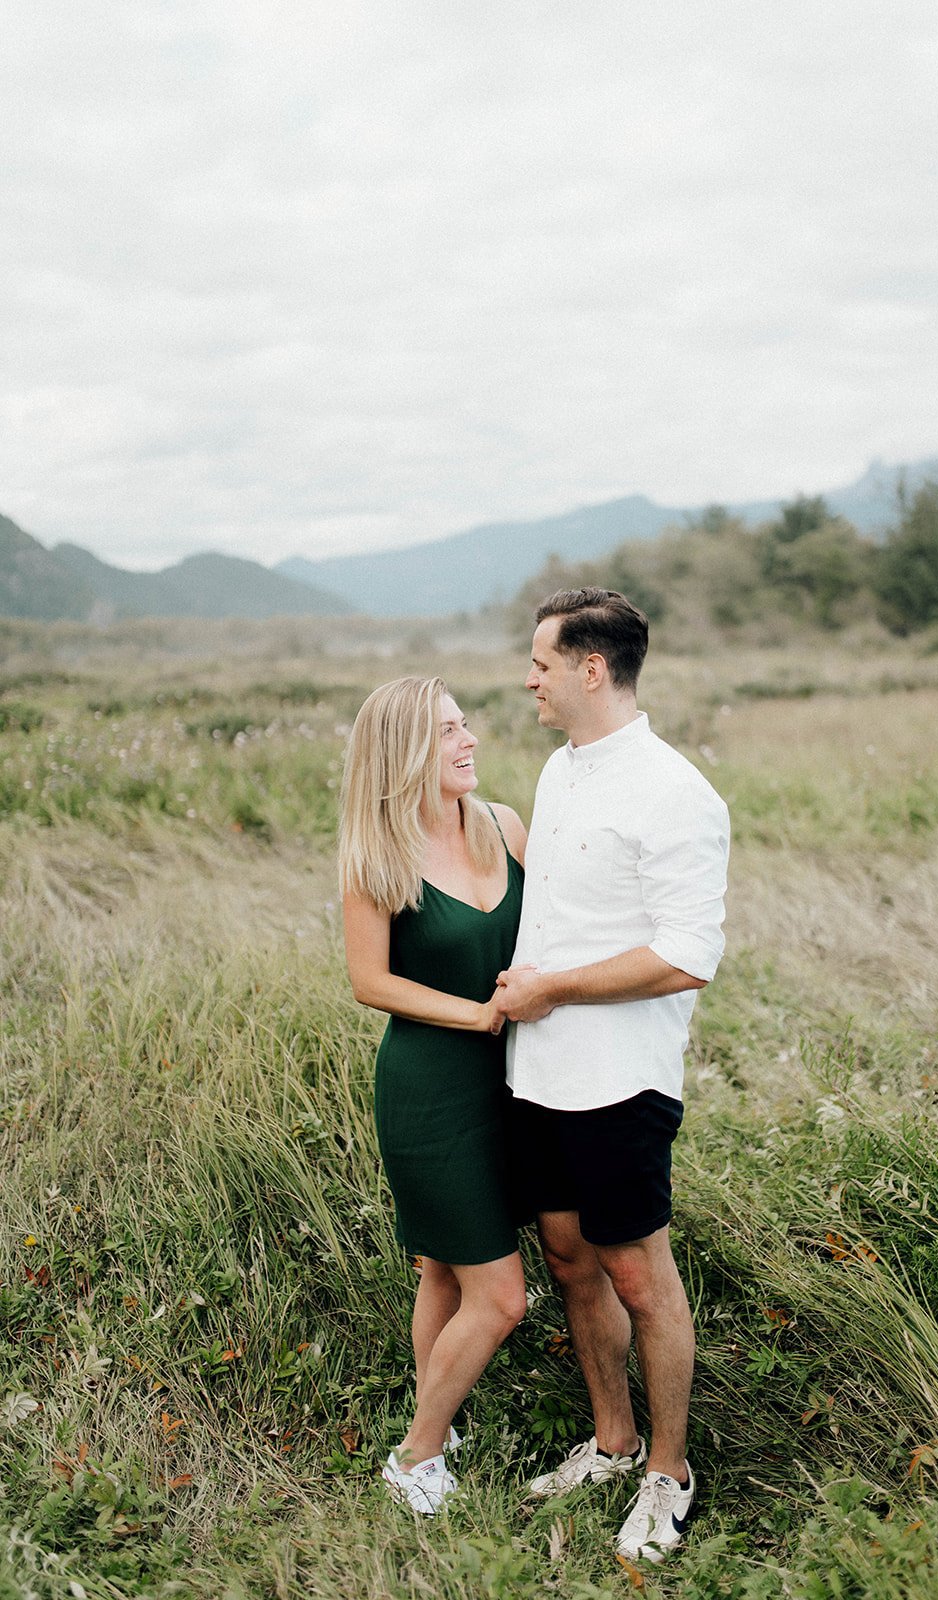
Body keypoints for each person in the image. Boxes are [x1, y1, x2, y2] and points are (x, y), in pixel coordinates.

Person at [495, 587, 729, 1564]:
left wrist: (553, 988)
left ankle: (668, 1474)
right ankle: (612, 1439)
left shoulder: (679, 793)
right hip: (537, 1073)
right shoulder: (559, 769)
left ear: (594, 669)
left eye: (542, 662)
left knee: (639, 1274)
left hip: (621, 1081)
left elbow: (686, 954)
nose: (528, 679)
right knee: (566, 1259)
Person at [339, 675, 528, 1515]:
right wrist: (480, 1015)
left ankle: (438, 1421)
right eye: (448, 731)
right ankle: (415, 1457)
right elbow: (367, 982)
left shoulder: (504, 824)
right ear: (406, 751)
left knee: (444, 1276)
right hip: (430, 1094)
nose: (469, 740)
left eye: (465, 725)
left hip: (520, 1086)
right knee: (501, 1295)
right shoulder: (377, 856)